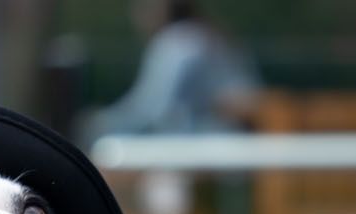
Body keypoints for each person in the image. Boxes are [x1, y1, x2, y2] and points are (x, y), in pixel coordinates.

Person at [87, 0, 259, 139]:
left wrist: (98, 124)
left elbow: (151, 110)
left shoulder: (177, 43)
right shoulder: (208, 35)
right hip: (237, 137)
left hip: (210, 142)